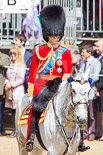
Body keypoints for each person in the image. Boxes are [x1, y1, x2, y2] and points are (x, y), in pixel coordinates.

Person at [25, 5, 72, 152]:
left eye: (57, 35)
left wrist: (63, 85)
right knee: (36, 108)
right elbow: (33, 71)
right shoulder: (39, 50)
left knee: (76, 108)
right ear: (47, 34)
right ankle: (30, 138)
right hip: (42, 85)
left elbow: (67, 71)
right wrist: (31, 90)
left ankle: (80, 140)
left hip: (58, 84)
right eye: (52, 34)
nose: (55, 37)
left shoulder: (65, 52)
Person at [79, 44, 101, 141]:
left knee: (91, 114)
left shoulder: (96, 62)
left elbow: (96, 77)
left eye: (83, 52)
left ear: (89, 53)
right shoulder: (81, 62)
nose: (81, 54)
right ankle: (84, 133)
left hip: (91, 90)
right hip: (82, 92)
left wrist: (85, 80)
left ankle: (92, 133)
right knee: (83, 113)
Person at [5, 47, 26, 137]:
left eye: (15, 53)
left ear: (19, 55)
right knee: (12, 111)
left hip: (17, 90)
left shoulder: (21, 65)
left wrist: (12, 84)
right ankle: (14, 130)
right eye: (11, 53)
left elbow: (21, 79)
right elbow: (6, 76)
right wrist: (6, 83)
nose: (12, 55)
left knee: (17, 110)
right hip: (9, 91)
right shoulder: (10, 64)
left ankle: (18, 131)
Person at [71, 51, 90, 151]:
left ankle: (80, 141)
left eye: (72, 58)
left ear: (77, 59)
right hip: (71, 93)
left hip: (80, 95)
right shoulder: (72, 66)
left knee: (80, 115)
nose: (71, 60)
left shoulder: (81, 66)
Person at [95, 39, 103, 141]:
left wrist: (98, 87)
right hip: (99, 90)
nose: (96, 48)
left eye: (98, 46)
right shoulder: (96, 57)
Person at [0, 51, 10, 136]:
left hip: (0, 90)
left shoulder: (4, 56)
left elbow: (5, 63)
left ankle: (0, 130)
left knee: (0, 111)